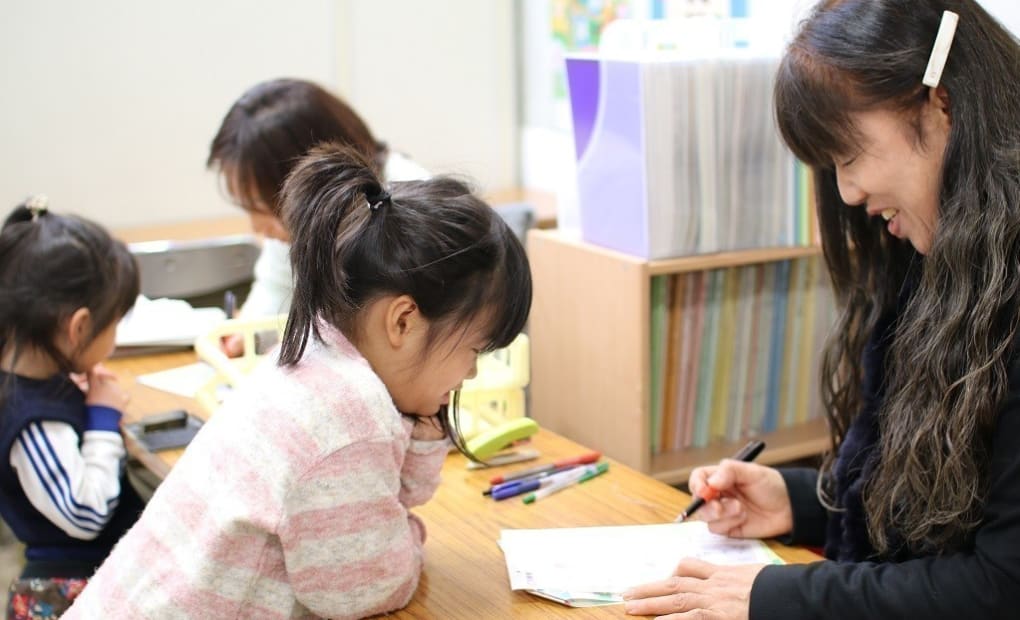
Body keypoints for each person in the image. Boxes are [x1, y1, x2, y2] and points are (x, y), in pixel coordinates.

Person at [622, 1, 1020, 618]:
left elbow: (1003, 585)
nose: (847, 192)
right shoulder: (937, 258)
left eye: (850, 156)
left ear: (939, 104)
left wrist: (778, 598)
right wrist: (801, 501)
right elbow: (956, 511)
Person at [64, 143, 532, 619]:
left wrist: (423, 430)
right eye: (475, 350)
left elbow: (382, 500)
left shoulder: (319, 352)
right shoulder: (346, 418)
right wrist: (409, 540)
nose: (471, 373)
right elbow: (365, 589)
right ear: (403, 322)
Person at [207, 78, 430, 356]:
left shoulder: (413, 206)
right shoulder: (295, 224)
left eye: (263, 207)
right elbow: (276, 288)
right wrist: (245, 334)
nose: (257, 227)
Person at [0, 197, 144, 619]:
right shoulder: (33, 422)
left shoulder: (32, 379)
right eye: (114, 324)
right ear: (78, 328)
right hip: (69, 593)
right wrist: (102, 419)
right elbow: (84, 512)